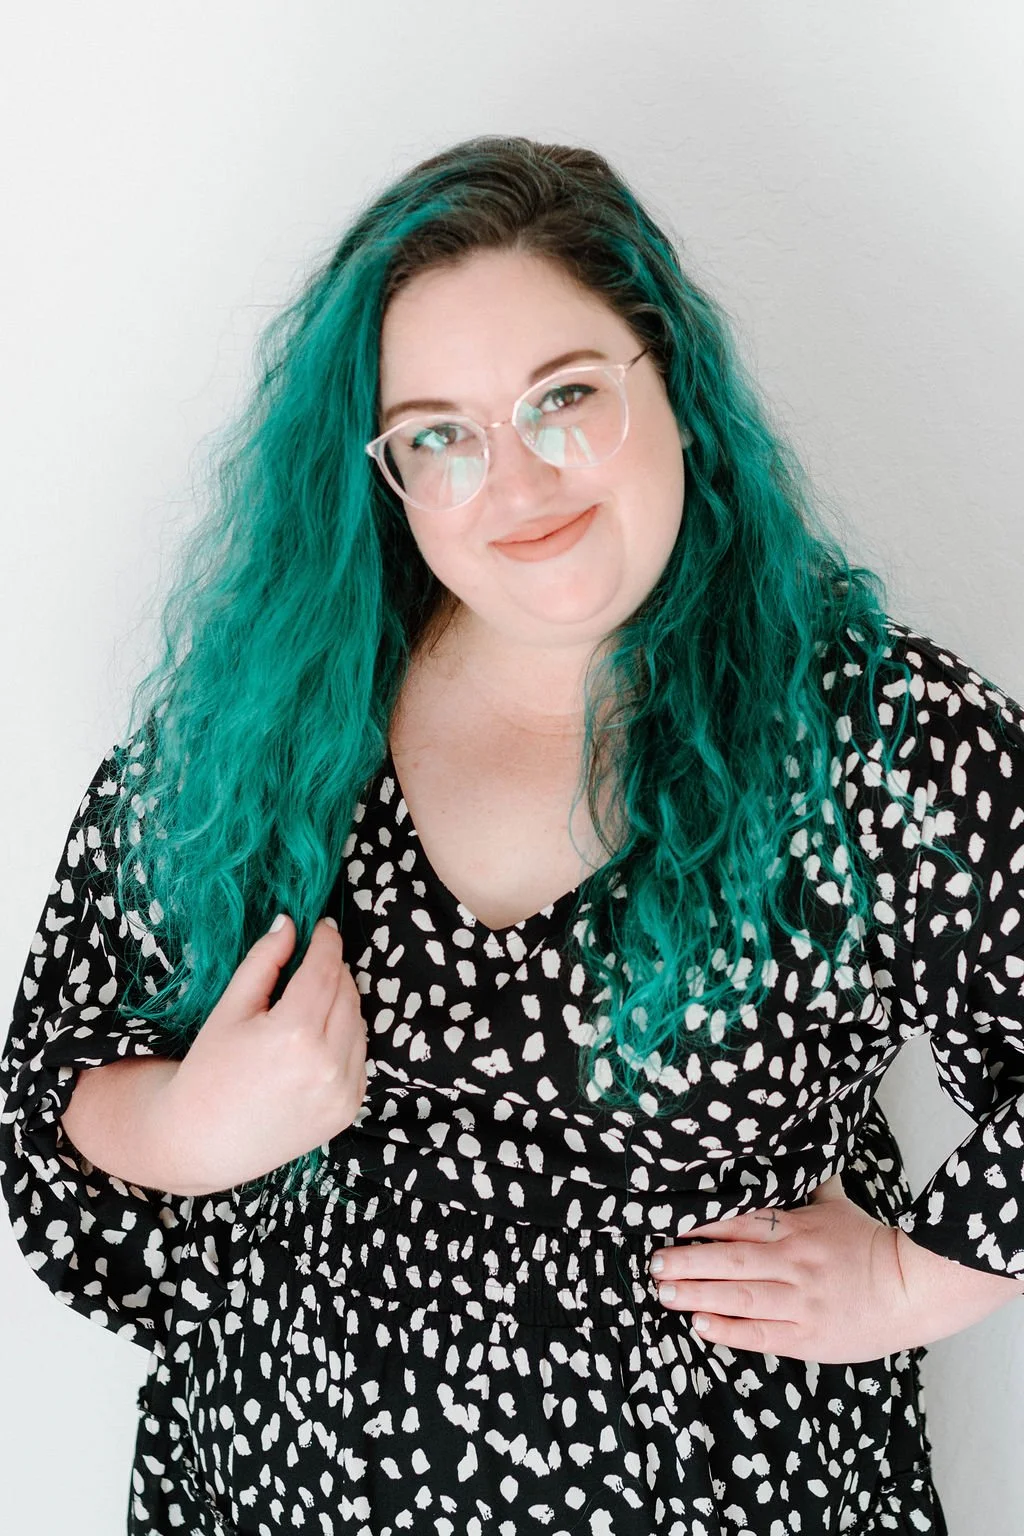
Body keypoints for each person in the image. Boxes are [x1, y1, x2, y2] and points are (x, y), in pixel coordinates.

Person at [1, 133, 1022, 1536]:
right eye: (438, 434)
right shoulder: (266, 731)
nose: (517, 480)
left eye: (565, 400)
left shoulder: (877, 742)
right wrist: (188, 1125)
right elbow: (54, 1081)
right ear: (386, 475)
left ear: (673, 387)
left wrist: (917, 1281)